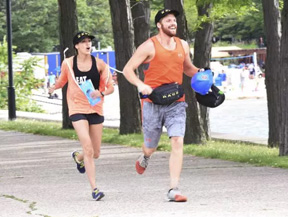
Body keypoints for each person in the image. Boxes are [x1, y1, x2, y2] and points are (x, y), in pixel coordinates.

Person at [123, 9, 200, 202]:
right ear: (159, 25)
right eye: (168, 20)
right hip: (152, 103)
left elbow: (188, 69)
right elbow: (127, 69)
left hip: (176, 102)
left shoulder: (182, 44)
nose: (173, 23)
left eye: (174, 20)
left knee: (177, 141)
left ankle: (174, 189)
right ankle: (146, 157)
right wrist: (141, 84)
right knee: (150, 146)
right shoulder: (149, 46)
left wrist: (203, 73)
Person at [49, 31, 114, 201]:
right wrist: (53, 88)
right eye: (83, 42)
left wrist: (100, 93)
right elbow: (62, 80)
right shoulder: (68, 64)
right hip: (77, 108)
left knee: (96, 152)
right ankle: (95, 189)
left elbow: (110, 88)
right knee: (88, 147)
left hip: (95, 109)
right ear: (76, 46)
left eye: (89, 41)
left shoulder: (100, 64)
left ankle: (78, 158)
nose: (87, 44)